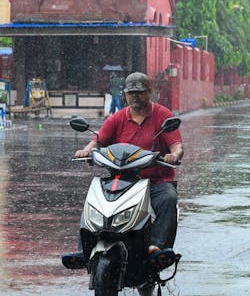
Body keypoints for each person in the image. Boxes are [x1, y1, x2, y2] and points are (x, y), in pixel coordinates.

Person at [62, 71, 184, 271]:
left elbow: (176, 145)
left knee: (169, 199)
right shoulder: (117, 118)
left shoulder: (163, 115)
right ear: (125, 95)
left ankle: (157, 248)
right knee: (92, 199)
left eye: (140, 92)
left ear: (149, 92)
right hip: (123, 180)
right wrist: (86, 151)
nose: (135, 96)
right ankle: (83, 250)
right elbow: (97, 141)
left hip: (156, 182)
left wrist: (174, 155)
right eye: (131, 93)